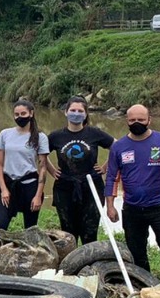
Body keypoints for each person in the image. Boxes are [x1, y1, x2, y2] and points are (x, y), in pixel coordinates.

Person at [104, 104, 160, 280]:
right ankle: (144, 285)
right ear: (126, 121)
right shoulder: (119, 147)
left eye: (141, 120)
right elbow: (112, 177)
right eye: (132, 120)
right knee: (137, 253)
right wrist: (110, 205)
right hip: (132, 209)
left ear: (149, 120)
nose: (137, 123)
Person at [46, 96, 115, 245]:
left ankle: (89, 265)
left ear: (85, 114)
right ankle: (70, 264)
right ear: (65, 112)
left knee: (89, 231)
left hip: (91, 187)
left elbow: (117, 147)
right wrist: (51, 170)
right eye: (72, 110)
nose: (76, 113)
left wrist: (104, 167)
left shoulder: (95, 133)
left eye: (80, 111)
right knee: (68, 232)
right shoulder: (56, 136)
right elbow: (39, 153)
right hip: (64, 188)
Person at [0, 99, 49, 230]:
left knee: (30, 229)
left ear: (31, 113)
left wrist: (37, 195)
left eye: (23, 114)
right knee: (0, 227)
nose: (20, 117)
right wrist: (3, 189)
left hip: (30, 185)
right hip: (9, 184)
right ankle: (0, 249)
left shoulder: (40, 137)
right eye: (17, 114)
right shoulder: (5, 134)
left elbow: (42, 167)